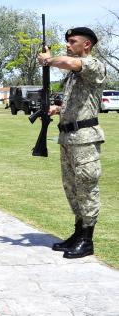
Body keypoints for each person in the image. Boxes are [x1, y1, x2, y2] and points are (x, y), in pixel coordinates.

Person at [37, 27, 105, 259]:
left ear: (86, 44)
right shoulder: (72, 76)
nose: (67, 44)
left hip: (85, 139)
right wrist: (57, 108)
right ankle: (78, 233)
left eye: (72, 41)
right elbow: (76, 100)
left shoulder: (93, 65)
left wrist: (50, 60)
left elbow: (71, 63)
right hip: (67, 137)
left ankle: (87, 240)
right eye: (66, 41)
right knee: (72, 188)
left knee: (86, 187)